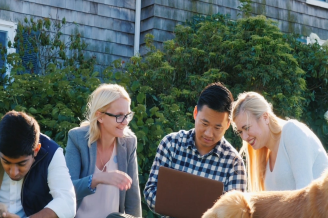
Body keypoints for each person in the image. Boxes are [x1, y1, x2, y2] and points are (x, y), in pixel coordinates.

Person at [144, 82, 246, 215]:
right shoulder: (171, 144)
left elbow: (235, 214)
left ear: (227, 124)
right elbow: (151, 191)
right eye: (205, 123)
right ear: (195, 113)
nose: (209, 134)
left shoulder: (234, 164)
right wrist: (180, 206)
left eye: (217, 127)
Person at [65, 84, 141, 218]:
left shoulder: (129, 142)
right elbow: (67, 190)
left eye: (127, 115)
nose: (125, 122)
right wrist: (98, 178)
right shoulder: (77, 138)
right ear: (99, 116)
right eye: (119, 116)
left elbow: (132, 197)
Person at [232, 92, 328, 192]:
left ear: (265, 117)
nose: (244, 137)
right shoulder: (265, 155)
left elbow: (305, 193)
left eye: (247, 128)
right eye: (240, 132)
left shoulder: (292, 131)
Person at [0, 110, 76, 218]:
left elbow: (67, 203)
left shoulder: (51, 153)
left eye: (21, 164)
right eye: (6, 162)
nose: (13, 173)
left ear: (36, 150)